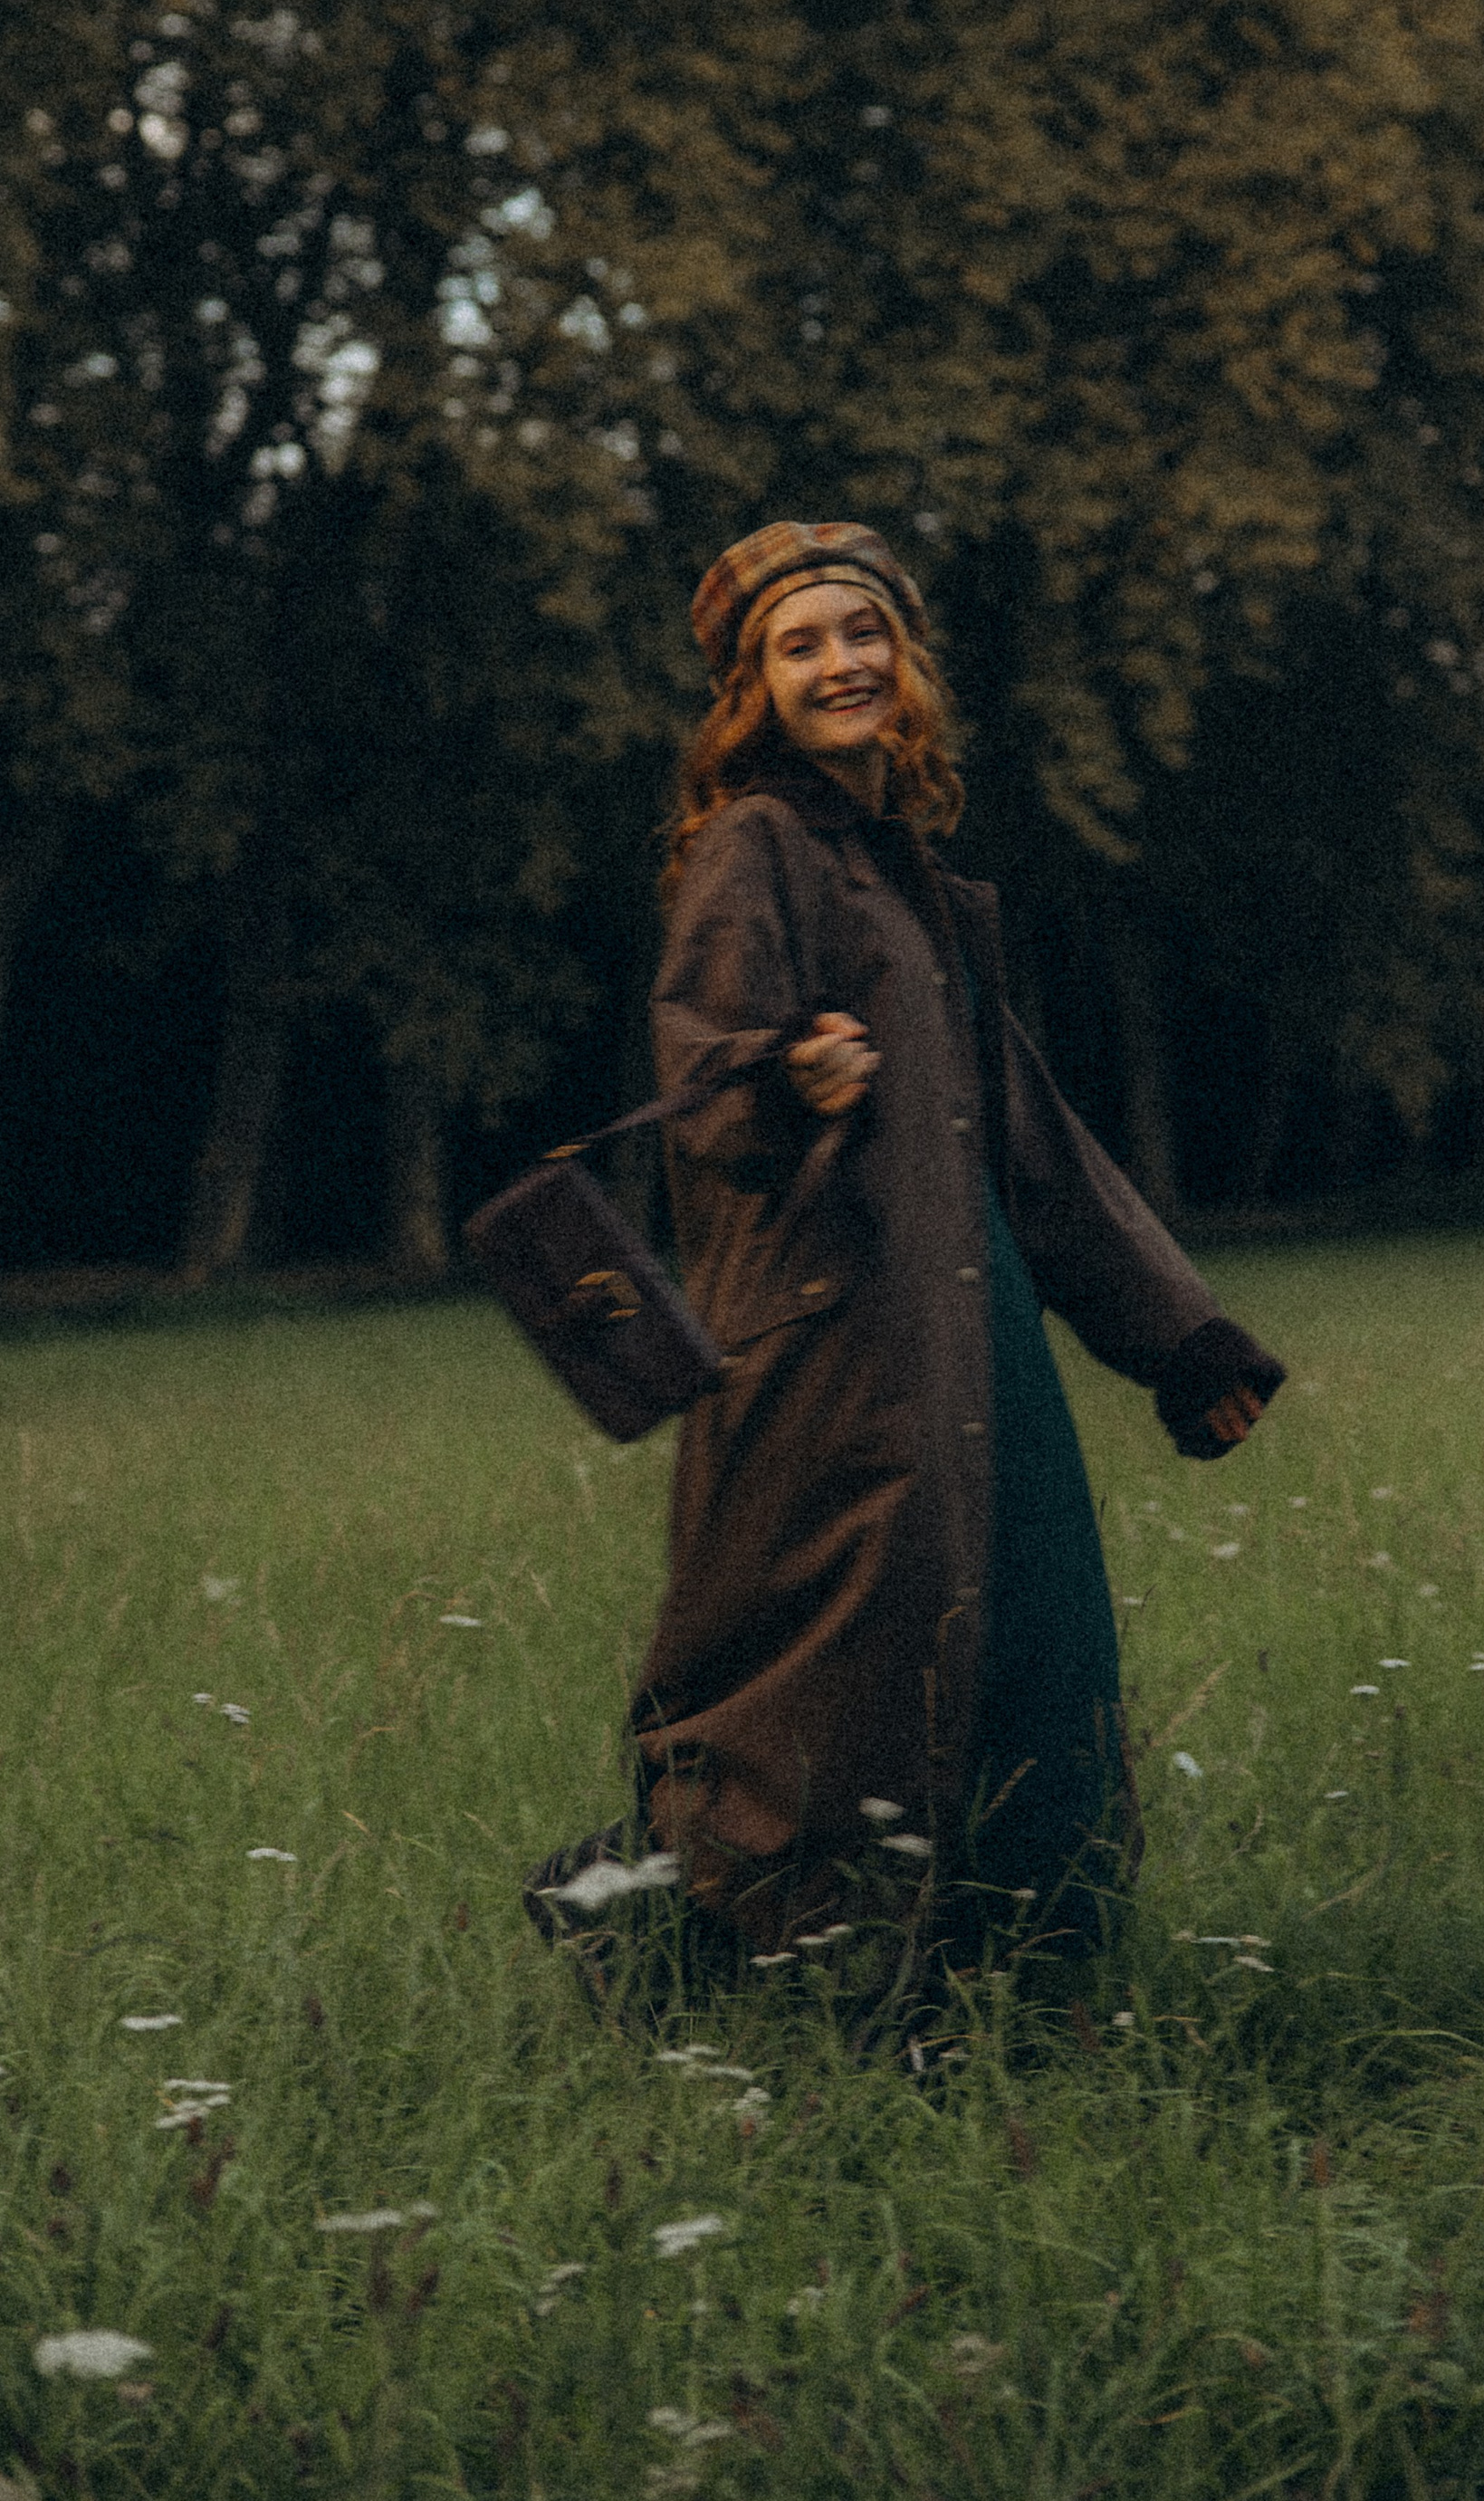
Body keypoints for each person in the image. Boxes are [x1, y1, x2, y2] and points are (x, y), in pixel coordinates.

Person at [530, 521, 1284, 1985]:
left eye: (862, 632)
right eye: (800, 645)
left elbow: (1031, 1142)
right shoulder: (754, 843)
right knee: (809, 1688)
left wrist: (1183, 1343)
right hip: (830, 1347)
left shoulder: (911, 874)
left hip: (970, 1333)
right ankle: (662, 1955)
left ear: (909, 656)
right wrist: (786, 1071)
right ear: (753, 689)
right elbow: (703, 1061)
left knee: (1037, 1650)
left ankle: (1023, 1993)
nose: (841, 664)